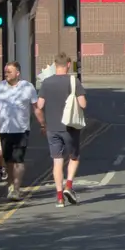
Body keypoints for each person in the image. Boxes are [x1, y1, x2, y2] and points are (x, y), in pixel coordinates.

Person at [36, 53, 88, 207]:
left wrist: (43, 124)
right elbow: (83, 104)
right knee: (74, 157)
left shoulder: (46, 82)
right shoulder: (74, 81)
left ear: (55, 64)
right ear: (67, 65)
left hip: (52, 128)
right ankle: (69, 186)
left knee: (56, 161)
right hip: (70, 127)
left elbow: (39, 106)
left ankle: (59, 197)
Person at [0, 61, 39, 200]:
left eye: (9, 71)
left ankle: (16, 189)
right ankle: (11, 185)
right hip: (4, 130)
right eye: (5, 71)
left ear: (18, 73)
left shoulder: (27, 87)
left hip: (21, 130)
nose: (6, 74)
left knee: (18, 160)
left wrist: (43, 124)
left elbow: (36, 107)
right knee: (8, 160)